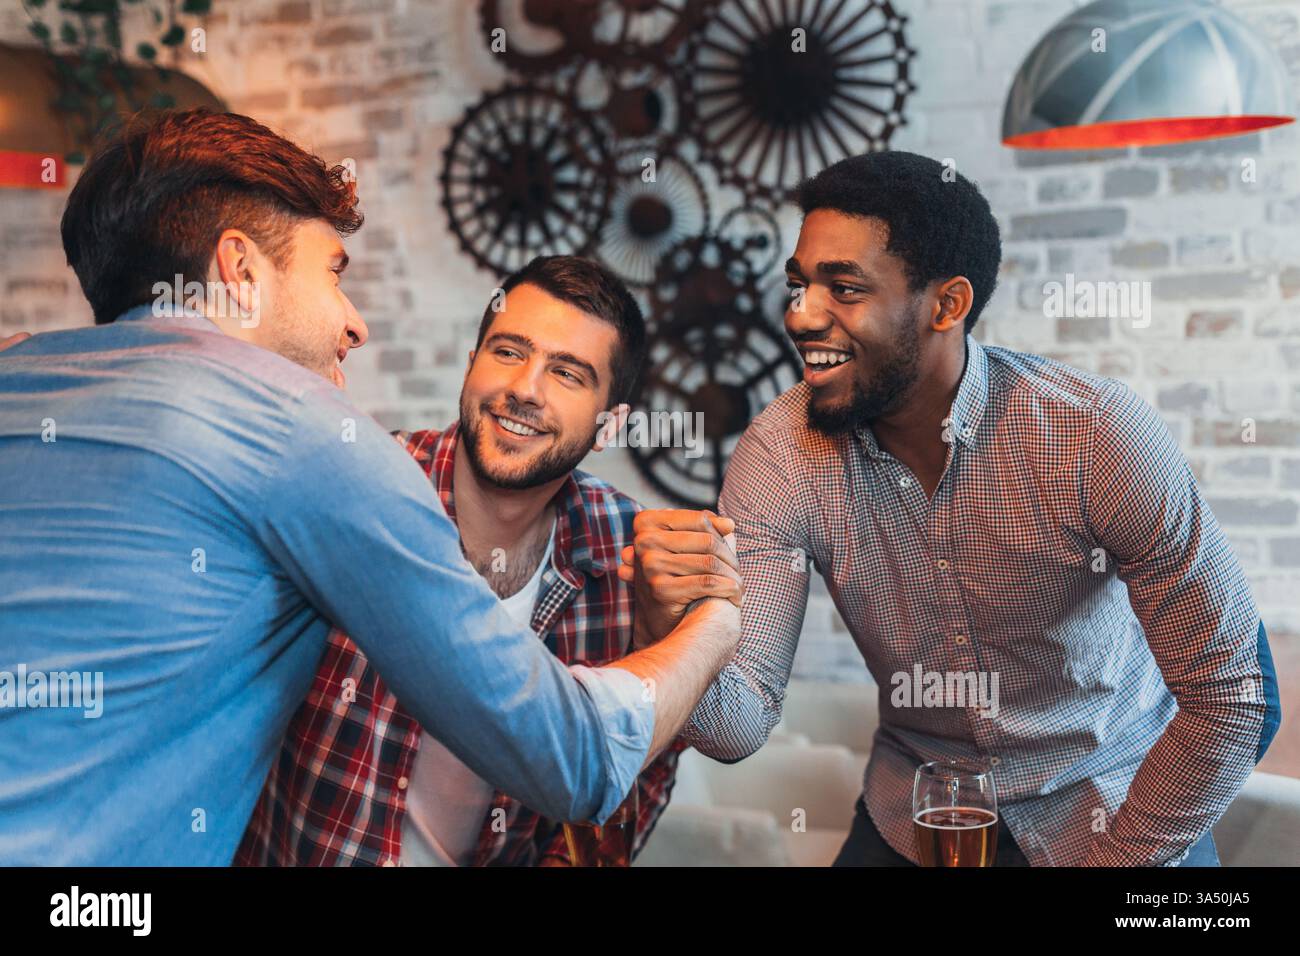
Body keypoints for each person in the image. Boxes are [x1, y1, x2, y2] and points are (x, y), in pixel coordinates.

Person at [0, 109, 740, 865]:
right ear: (241, 270)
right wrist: (715, 624)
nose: (355, 326)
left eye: (567, 373)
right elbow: (574, 758)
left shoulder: (16, 373)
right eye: (332, 272)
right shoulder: (306, 433)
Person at [623, 151, 1281, 867]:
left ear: (947, 304)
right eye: (798, 284)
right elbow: (738, 726)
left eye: (843, 288)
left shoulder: (1095, 435)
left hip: (1111, 807)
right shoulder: (779, 455)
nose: (800, 314)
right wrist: (674, 630)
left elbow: (1235, 697)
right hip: (917, 814)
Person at [236, 255, 736, 866]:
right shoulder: (360, 488)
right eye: (507, 352)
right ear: (470, 366)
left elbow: (621, 794)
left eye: (568, 374)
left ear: (609, 426)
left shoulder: (628, 557)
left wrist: (667, 633)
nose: (525, 388)